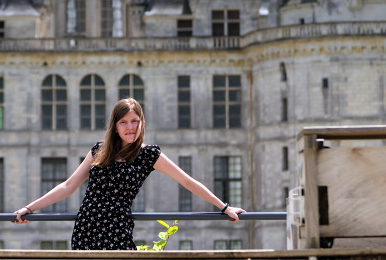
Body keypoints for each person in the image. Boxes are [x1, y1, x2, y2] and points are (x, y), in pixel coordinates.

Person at [13, 97, 245, 250]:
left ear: (142, 123)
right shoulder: (99, 151)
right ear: (115, 126)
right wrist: (30, 208)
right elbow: (68, 186)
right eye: (123, 122)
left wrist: (224, 207)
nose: (130, 127)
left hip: (117, 230)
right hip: (86, 229)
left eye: (134, 121)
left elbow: (186, 180)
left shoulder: (148, 155)